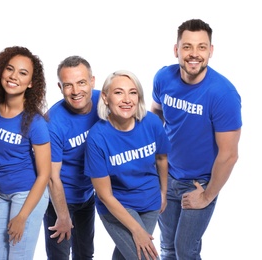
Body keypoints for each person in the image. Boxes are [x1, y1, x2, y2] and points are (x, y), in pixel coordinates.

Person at [151, 19, 242, 260]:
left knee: (185, 250)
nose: (194, 54)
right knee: (167, 248)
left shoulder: (223, 94)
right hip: (166, 176)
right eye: (187, 46)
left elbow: (229, 154)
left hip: (199, 183)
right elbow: (155, 117)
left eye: (202, 47)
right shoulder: (163, 78)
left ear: (210, 51)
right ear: (176, 50)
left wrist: (207, 195)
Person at [84, 70, 171, 260]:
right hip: (117, 204)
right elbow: (105, 195)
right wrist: (136, 229)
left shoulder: (152, 123)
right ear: (106, 98)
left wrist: (163, 193)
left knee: (127, 256)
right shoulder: (97, 138)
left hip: (150, 201)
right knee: (146, 257)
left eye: (132, 92)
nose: (127, 99)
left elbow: (162, 159)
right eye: (118, 92)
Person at [0, 46, 50, 260]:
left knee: (17, 256)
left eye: (22, 73)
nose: (13, 76)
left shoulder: (35, 123)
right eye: (10, 69)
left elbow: (44, 174)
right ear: (1, 71)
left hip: (26, 195)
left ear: (30, 84)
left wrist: (23, 216)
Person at [43, 55, 100, 260]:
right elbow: (52, 176)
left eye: (81, 83)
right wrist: (63, 215)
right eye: (68, 85)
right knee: (59, 257)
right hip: (59, 199)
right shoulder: (53, 123)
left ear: (92, 81)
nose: (76, 91)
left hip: (87, 195)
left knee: (85, 255)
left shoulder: (104, 102)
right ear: (60, 87)